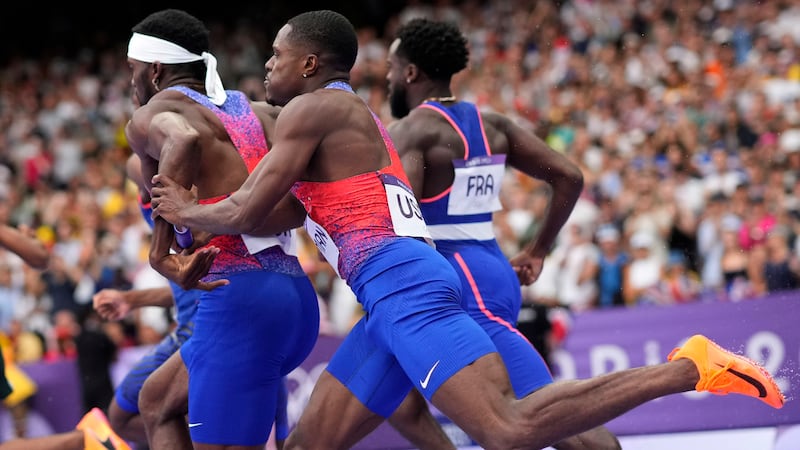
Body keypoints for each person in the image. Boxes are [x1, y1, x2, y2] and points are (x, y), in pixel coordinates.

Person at [150, 10, 784, 450]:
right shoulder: (345, 114)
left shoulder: (317, 108)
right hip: (398, 290)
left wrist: (181, 209)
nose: (265, 66)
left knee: (507, 430)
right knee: (312, 441)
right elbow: (284, 211)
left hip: (405, 286)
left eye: (277, 56)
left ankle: (687, 368)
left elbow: (245, 212)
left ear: (310, 62)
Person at [384, 17, 618, 449]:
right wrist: (537, 250)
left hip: (457, 283)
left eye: (392, 69)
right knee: (396, 401)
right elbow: (568, 176)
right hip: (493, 267)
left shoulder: (412, 131)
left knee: (559, 421)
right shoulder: (494, 125)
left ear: (411, 73)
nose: (388, 77)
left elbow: (402, 224)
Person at [124, 9, 320, 450]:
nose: (131, 82)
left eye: (132, 71)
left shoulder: (156, 112)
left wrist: (161, 253)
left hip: (238, 299)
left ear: (154, 70)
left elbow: (183, 140)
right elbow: (297, 206)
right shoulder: (258, 111)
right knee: (157, 400)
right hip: (293, 296)